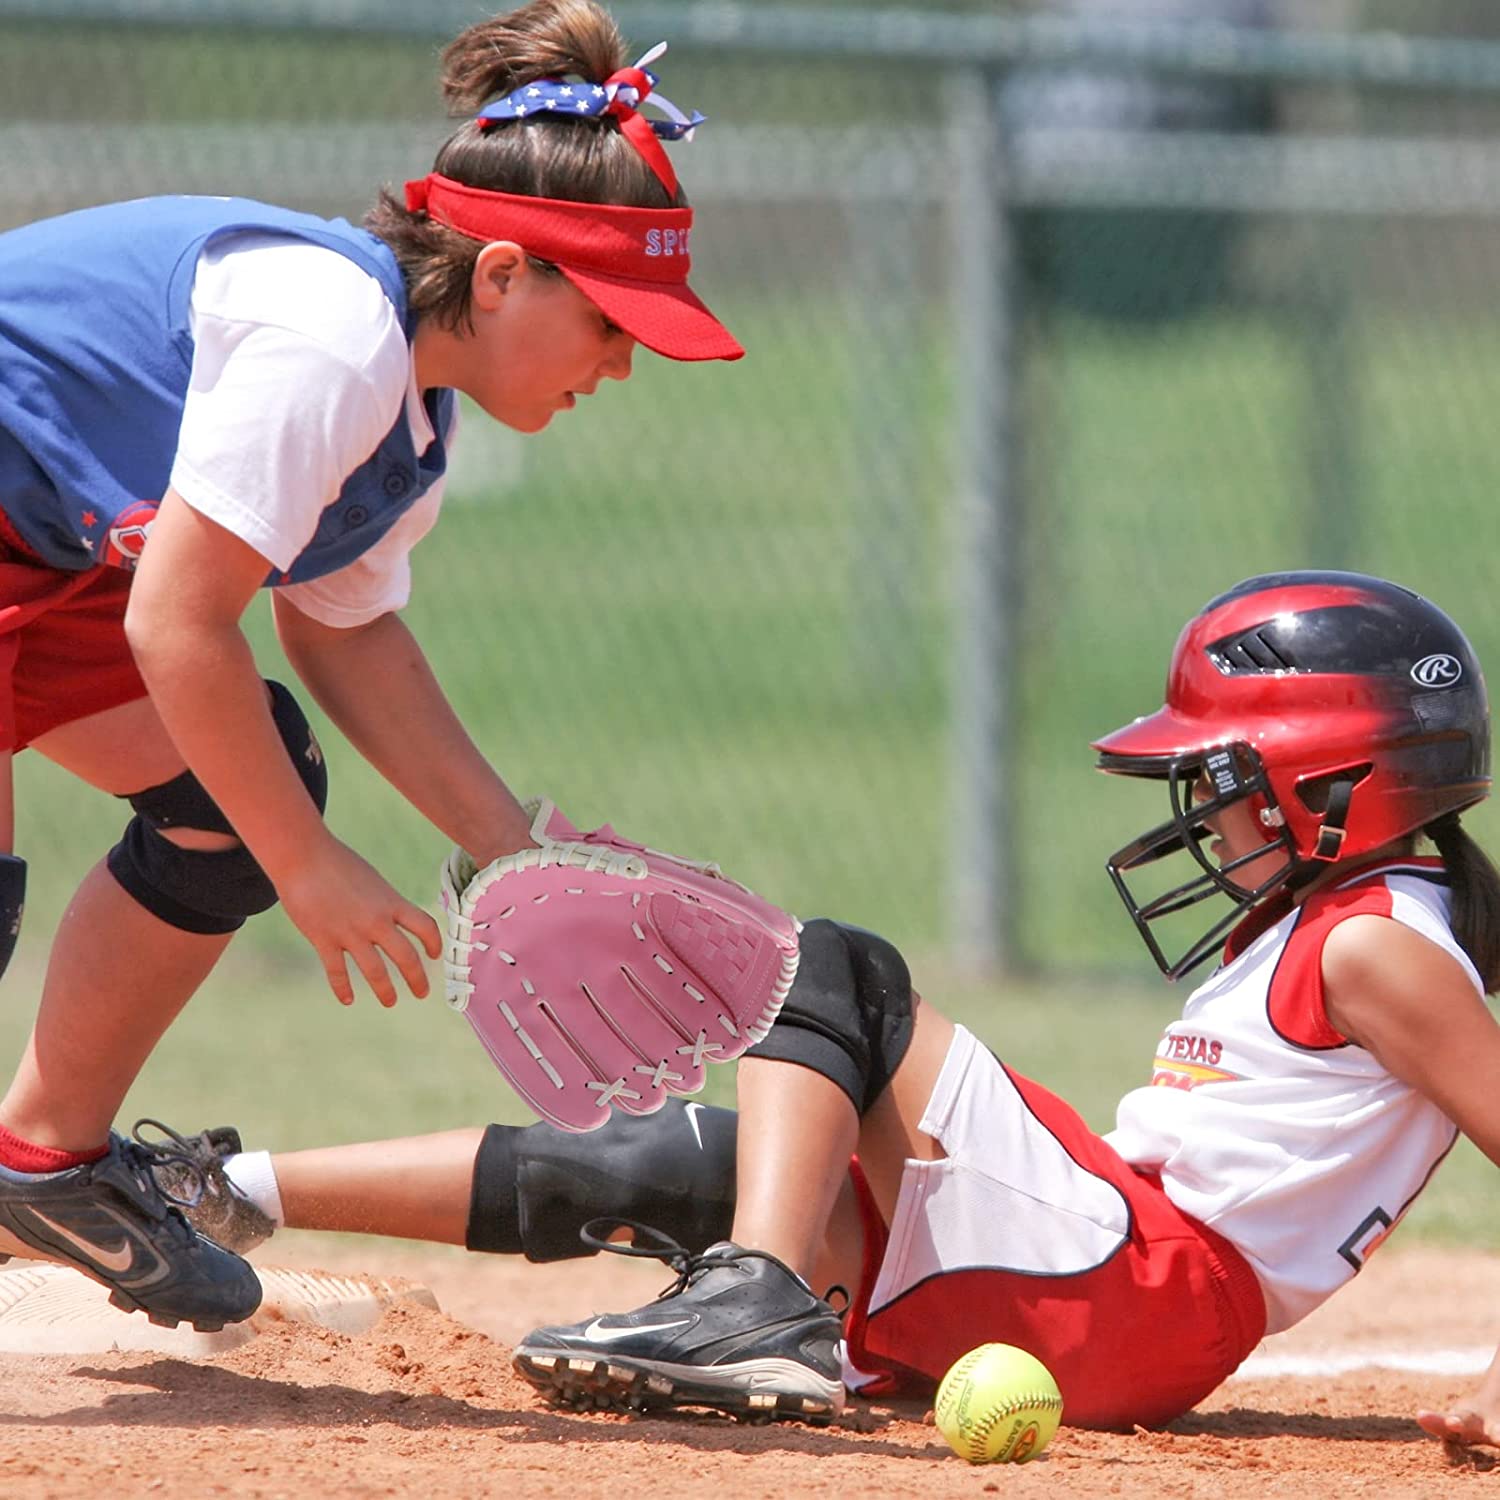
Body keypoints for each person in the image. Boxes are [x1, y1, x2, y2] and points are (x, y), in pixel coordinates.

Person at [154, 570, 1500, 1441]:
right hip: (1117, 1273)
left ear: (1337, 790)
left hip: (1141, 1281)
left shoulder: (1382, 947)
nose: (1201, 814)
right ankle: (212, 1193)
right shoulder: (1343, 929)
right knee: (722, 1164)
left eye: (1225, 782)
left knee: (842, 971)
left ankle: (756, 1303)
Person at [0, 0, 744, 1333]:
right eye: (610, 322)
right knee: (250, 819)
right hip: (34, 544)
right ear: (504, 274)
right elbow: (177, 626)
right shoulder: (333, 339)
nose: (623, 366)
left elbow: (340, 630)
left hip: (32, 555)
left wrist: (512, 852)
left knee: (237, 788)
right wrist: (309, 869)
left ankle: (42, 1163)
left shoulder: (407, 425)